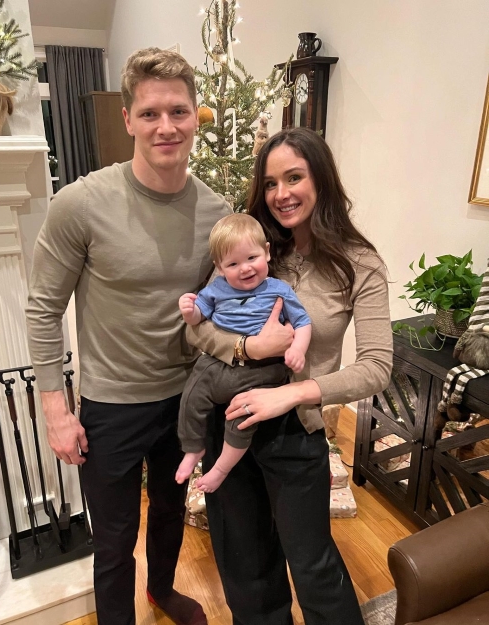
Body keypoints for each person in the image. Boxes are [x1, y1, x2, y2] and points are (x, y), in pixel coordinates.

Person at [25, 47, 231, 625]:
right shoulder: (82, 204)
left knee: (170, 510)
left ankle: (161, 591)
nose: (166, 127)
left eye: (179, 112)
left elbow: (222, 305)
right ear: (127, 118)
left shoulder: (216, 211)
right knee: (113, 541)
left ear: (196, 116)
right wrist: (56, 411)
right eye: (150, 113)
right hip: (111, 406)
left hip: (187, 398)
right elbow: (43, 309)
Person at [186, 127, 393, 625]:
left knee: (313, 564)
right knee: (245, 566)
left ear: (320, 179)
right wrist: (245, 347)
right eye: (271, 182)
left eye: (294, 177)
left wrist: (294, 394)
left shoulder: (359, 264)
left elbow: (377, 366)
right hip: (228, 420)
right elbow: (196, 331)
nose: (281, 194)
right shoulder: (249, 246)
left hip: (295, 430)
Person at [175, 213, 311, 492]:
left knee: (243, 416)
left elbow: (303, 322)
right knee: (191, 394)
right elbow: (198, 320)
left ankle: (221, 469)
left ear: (267, 253)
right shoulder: (217, 290)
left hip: (263, 372)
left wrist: (298, 348)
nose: (245, 269)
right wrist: (189, 311)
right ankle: (192, 448)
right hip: (218, 363)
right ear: (220, 267)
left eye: (252, 258)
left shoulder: (279, 290)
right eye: (233, 264)